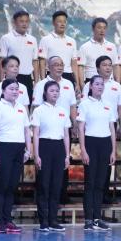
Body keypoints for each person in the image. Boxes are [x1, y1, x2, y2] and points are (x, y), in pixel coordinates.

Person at [0, 79, 31, 234]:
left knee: (12, 186)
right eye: (11, 89)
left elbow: (26, 130)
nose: (14, 91)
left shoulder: (21, 108)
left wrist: (28, 150)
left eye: (16, 89)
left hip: (19, 148)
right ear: (3, 90)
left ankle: (8, 219)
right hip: (3, 147)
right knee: (2, 186)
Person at [77, 74, 116, 231]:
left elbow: (112, 128)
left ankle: (97, 218)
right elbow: (81, 128)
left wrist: (113, 150)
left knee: (100, 183)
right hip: (91, 143)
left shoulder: (108, 105)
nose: (100, 86)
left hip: (105, 144)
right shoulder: (84, 104)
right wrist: (83, 150)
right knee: (90, 183)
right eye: (97, 84)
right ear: (91, 86)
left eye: (102, 84)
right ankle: (88, 218)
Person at [30, 80, 71, 232]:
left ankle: (53, 220)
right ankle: (44, 221)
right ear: (45, 93)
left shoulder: (63, 111)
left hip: (59, 147)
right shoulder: (39, 110)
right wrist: (36, 154)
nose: (55, 93)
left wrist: (67, 155)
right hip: (44, 145)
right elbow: (35, 134)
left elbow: (66, 135)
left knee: (56, 185)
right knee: (44, 185)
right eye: (52, 91)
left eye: (57, 91)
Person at [0, 10, 38, 93]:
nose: (24, 24)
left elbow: (35, 61)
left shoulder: (33, 40)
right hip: (11, 77)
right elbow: (2, 61)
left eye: (26, 21)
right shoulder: (6, 38)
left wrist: (36, 81)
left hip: (27, 78)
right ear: (14, 22)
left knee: (27, 100)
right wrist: (1, 81)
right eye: (21, 21)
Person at [37, 11, 80, 83]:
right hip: (52, 75)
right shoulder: (45, 40)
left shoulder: (72, 41)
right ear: (53, 23)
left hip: (68, 75)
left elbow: (74, 63)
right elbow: (42, 62)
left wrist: (77, 83)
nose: (62, 24)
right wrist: (43, 81)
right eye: (59, 21)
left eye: (64, 22)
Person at [77, 17, 118, 90]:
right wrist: (82, 86)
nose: (102, 30)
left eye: (104, 28)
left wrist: (117, 83)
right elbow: (80, 68)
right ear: (93, 29)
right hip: (91, 81)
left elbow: (115, 66)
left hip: (109, 82)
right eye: (99, 27)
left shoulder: (112, 46)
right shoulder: (84, 47)